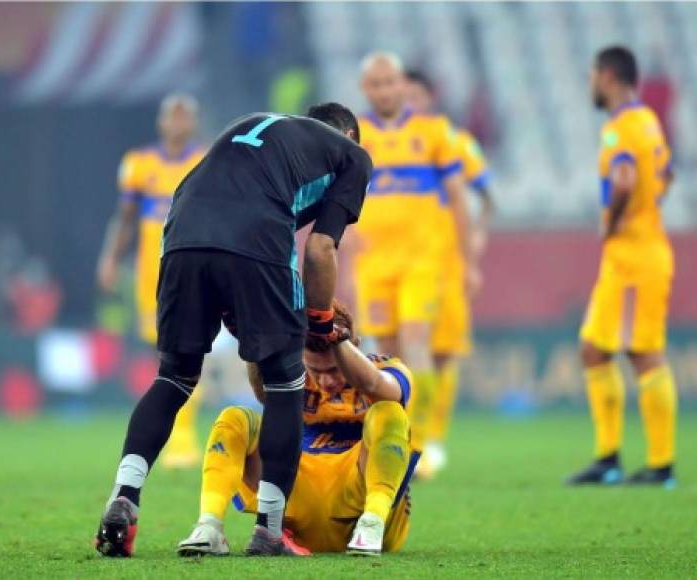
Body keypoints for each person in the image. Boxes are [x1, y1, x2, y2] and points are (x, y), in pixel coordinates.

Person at [95, 104, 372, 557]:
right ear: (349, 135)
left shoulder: (255, 127)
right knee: (285, 381)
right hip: (254, 238)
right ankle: (268, 530)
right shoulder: (353, 155)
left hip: (181, 234)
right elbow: (320, 248)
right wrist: (320, 320)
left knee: (173, 377)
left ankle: (124, 495)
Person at [177, 301, 417, 558]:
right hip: (298, 512)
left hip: (361, 505)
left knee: (389, 412)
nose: (326, 381)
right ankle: (210, 526)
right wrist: (255, 337)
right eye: (316, 370)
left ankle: (373, 522)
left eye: (335, 370)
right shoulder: (293, 376)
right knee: (234, 418)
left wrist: (336, 338)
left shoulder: (388, 368)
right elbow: (262, 395)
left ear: (354, 346)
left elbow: (378, 385)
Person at [352, 53, 476, 454]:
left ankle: (423, 440)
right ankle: (394, 437)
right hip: (373, 264)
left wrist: (469, 261)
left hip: (422, 261)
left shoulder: (434, 131)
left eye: (391, 82)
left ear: (403, 84)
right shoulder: (353, 137)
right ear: (365, 89)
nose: (385, 90)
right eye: (377, 83)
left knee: (417, 341)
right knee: (384, 353)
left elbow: (458, 199)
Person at [566, 46, 677, 488]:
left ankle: (661, 464)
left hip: (635, 257)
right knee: (593, 347)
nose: (591, 82)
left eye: (593, 74)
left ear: (608, 76)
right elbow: (664, 177)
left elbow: (627, 180)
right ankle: (608, 458)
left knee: (643, 352)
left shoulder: (620, 128)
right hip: (635, 254)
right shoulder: (648, 121)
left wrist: (611, 219)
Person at [97, 94, 207, 468]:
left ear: (192, 123)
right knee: (161, 354)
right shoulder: (139, 164)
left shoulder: (205, 161)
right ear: (161, 123)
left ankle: (184, 438)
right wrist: (110, 259)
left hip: (192, 270)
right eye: (171, 117)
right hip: (151, 276)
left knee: (189, 349)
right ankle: (167, 432)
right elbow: (125, 218)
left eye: (184, 117)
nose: (177, 124)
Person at [405, 70, 494, 478]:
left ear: (430, 96)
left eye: (417, 95)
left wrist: (475, 242)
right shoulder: (395, 146)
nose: (411, 103)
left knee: (443, 353)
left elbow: (485, 196)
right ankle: (411, 434)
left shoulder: (454, 141)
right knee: (408, 348)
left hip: (448, 263)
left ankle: (434, 438)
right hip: (409, 263)